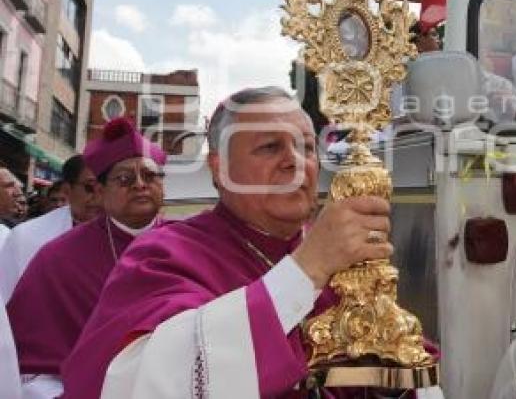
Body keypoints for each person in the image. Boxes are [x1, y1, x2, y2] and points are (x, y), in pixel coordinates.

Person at [62, 87, 441, 398]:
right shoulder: (163, 254)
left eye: (307, 147)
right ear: (219, 168)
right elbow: (147, 380)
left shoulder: (343, 260)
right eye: (270, 147)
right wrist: (306, 270)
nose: (296, 162)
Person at [5, 118, 166, 398]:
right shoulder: (57, 259)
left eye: (150, 176)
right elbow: (29, 370)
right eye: (125, 179)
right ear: (101, 192)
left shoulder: (192, 245)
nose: (140, 185)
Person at [0, 156, 101, 303]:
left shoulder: (129, 234)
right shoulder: (26, 237)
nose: (99, 197)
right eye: (90, 188)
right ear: (68, 189)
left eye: (105, 187)